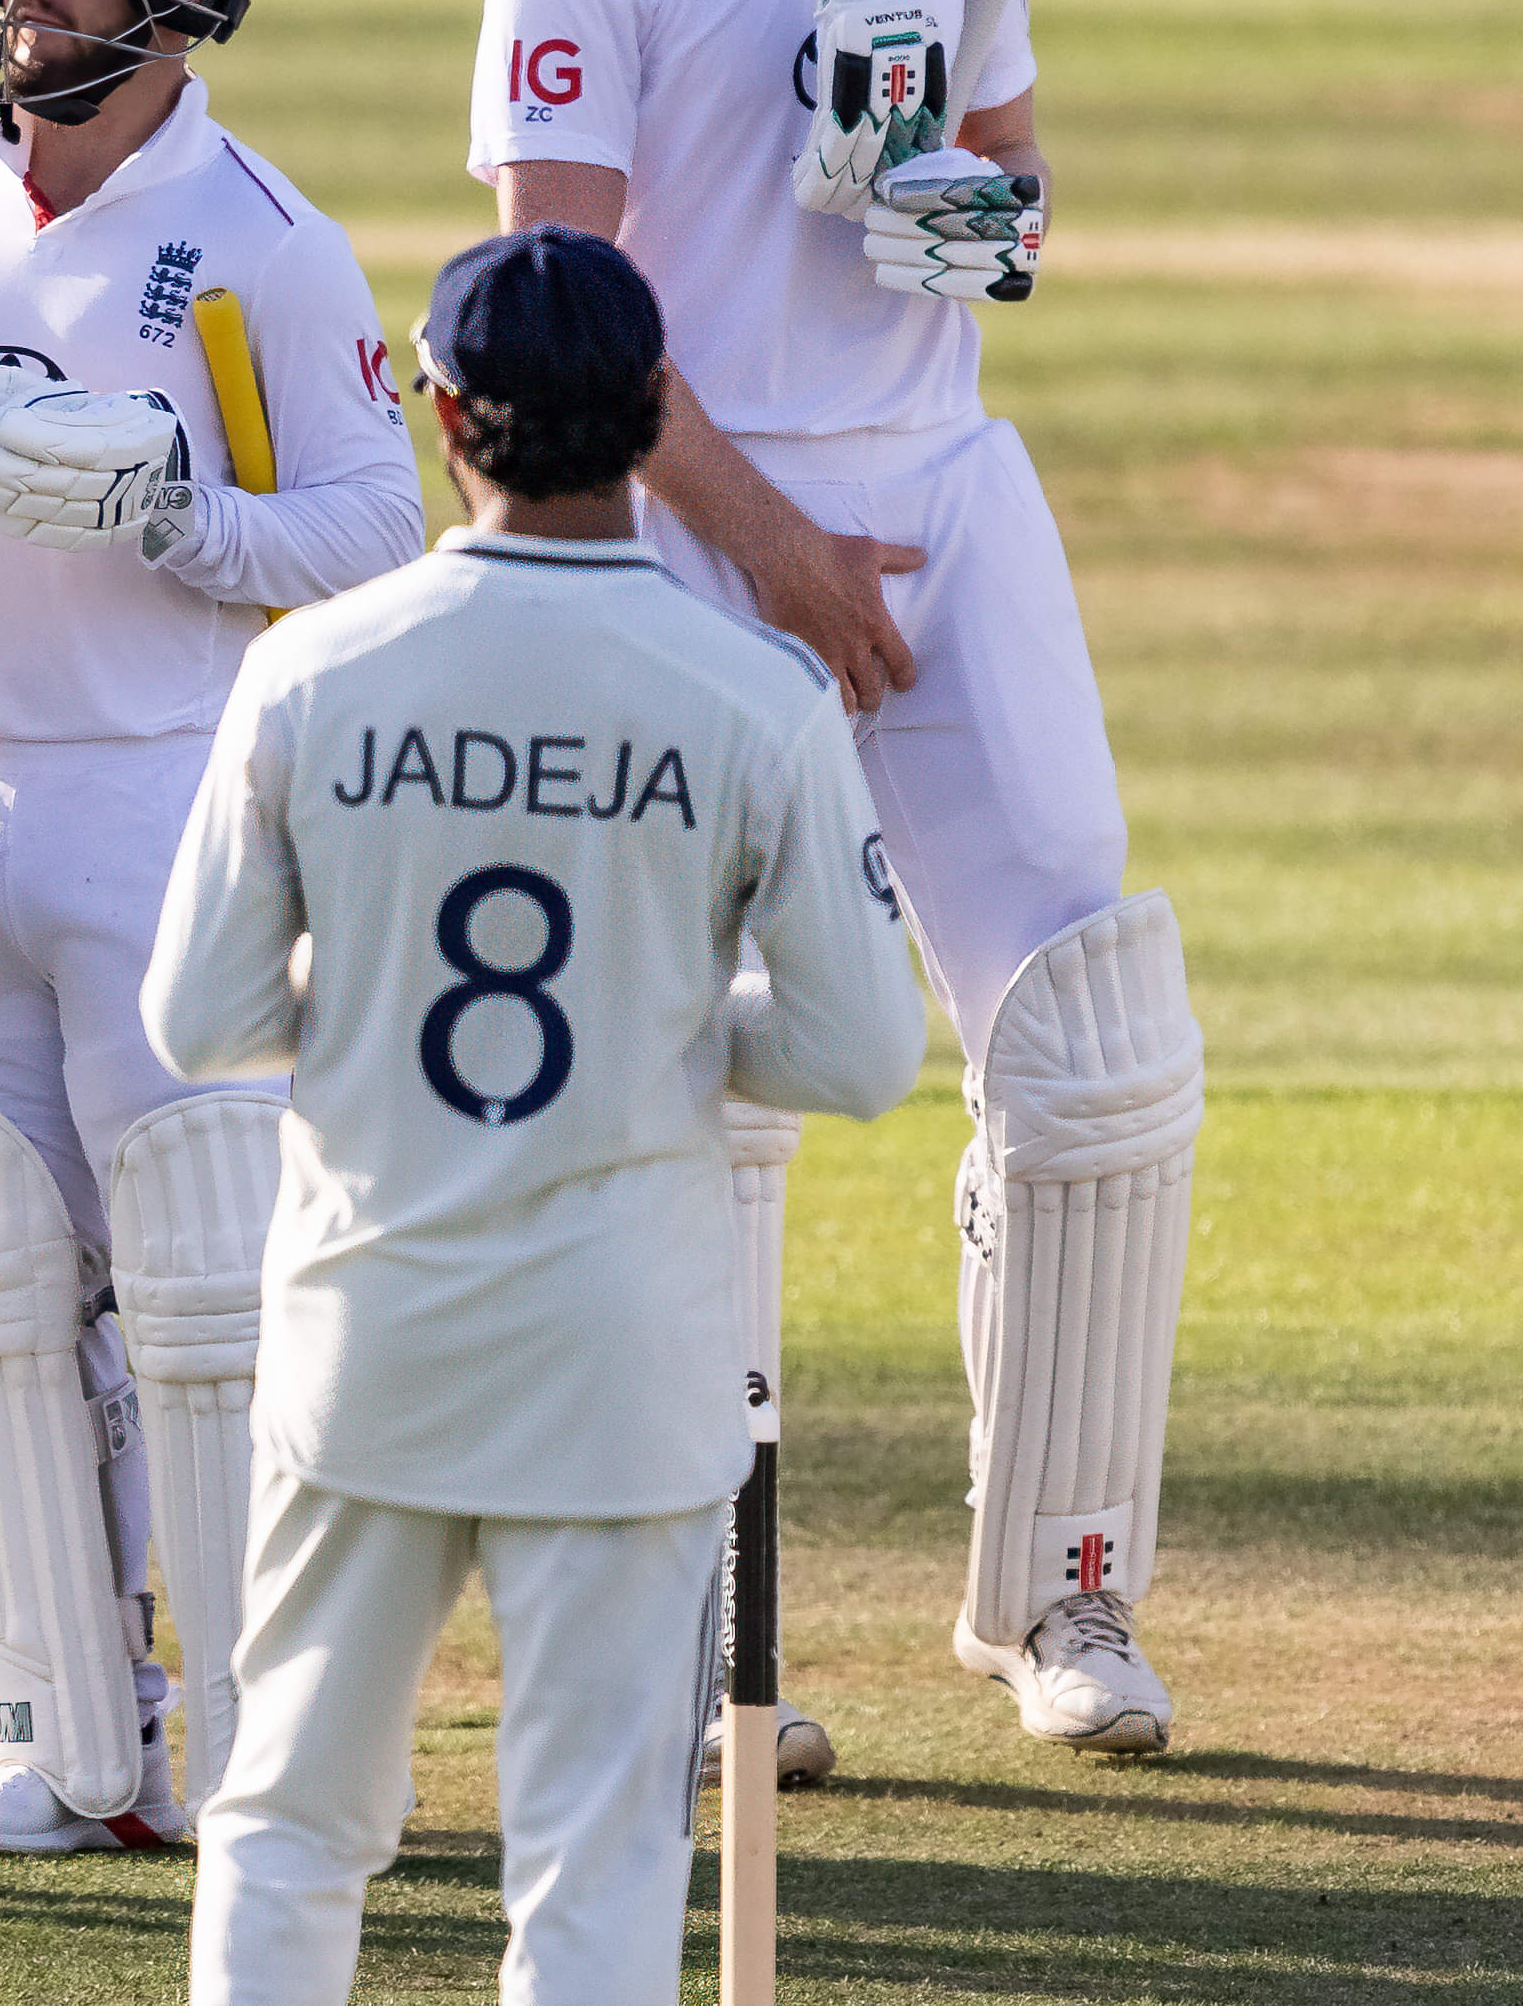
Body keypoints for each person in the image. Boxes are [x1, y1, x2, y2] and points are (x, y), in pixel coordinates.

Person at [468, 0, 1201, 1759]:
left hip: (955, 499)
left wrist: (991, 217)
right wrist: (775, 544)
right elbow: (552, 301)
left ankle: (1061, 1599)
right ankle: (694, 1630)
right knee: (703, 1088)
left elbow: (1006, 161)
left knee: (1089, 1036)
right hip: (695, 527)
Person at [145, 226, 923, 2006]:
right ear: (654, 413)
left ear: (441, 414)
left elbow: (196, 1015)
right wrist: (665, 1025)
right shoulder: (758, 696)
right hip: (620, 1361)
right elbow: (864, 1050)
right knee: (594, 1856)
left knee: (285, 1825)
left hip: (368, 1339)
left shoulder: (314, 670)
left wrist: (374, 1015)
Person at [0, 0, 423, 1856]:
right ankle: (55, 1736)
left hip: (158, 803)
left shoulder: (260, 243)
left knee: (203, 1303)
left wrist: (181, 516)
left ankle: (256, 1745)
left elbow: (374, 528)